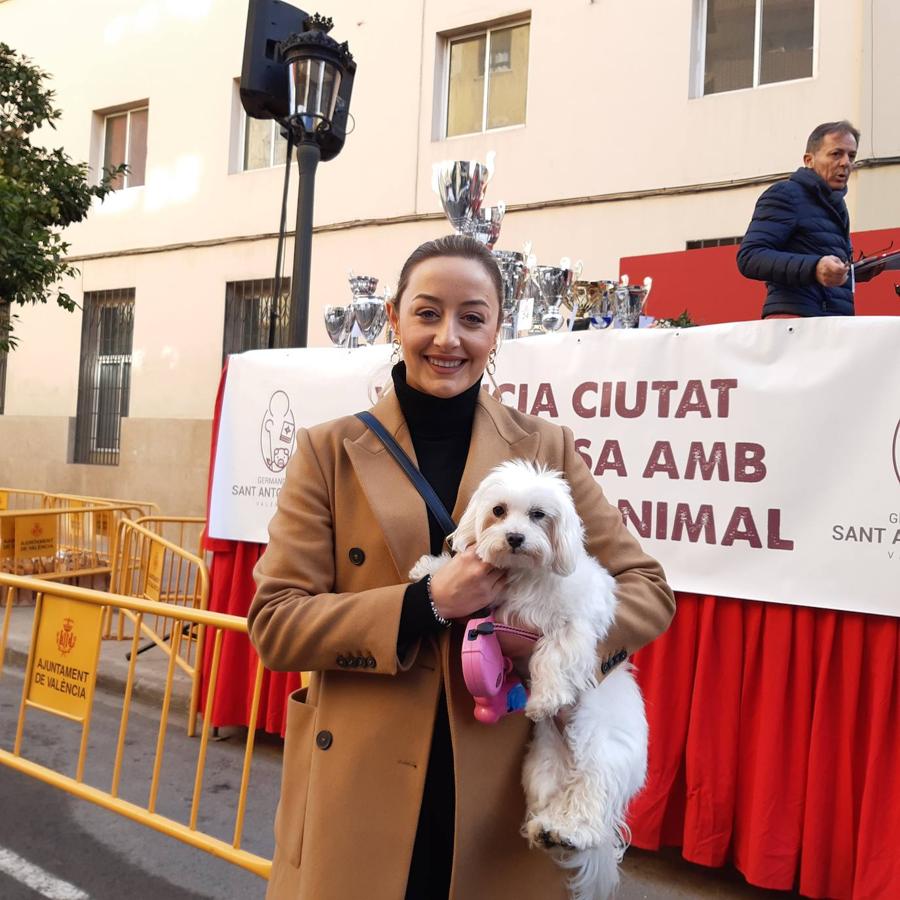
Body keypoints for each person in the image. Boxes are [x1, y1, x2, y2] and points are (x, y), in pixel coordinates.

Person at [248, 234, 676, 900]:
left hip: (502, 786)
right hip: (363, 777)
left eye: (472, 317)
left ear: (497, 330)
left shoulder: (546, 448)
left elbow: (648, 589)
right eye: (427, 313)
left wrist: (557, 654)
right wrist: (425, 602)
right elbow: (276, 625)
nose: (448, 337)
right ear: (394, 318)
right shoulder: (327, 452)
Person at [737, 120, 859, 318]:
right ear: (809, 160)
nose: (846, 162)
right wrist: (815, 267)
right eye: (836, 154)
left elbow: (822, 266)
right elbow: (750, 257)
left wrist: (855, 272)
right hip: (795, 324)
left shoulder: (837, 205)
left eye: (851, 155)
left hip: (834, 324)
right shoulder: (786, 194)